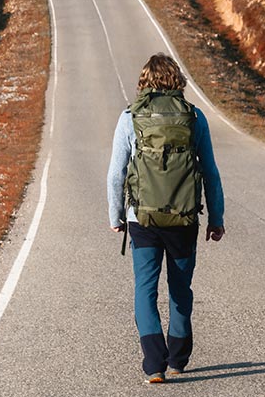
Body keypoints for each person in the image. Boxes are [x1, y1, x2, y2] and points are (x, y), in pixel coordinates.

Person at [107, 53, 225, 384]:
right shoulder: (194, 117)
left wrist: (116, 215)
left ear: (144, 82)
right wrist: (216, 218)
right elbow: (211, 173)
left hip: (142, 219)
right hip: (184, 219)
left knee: (145, 289)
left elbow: (116, 174)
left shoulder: (130, 117)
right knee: (180, 289)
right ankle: (177, 359)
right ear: (177, 82)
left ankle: (154, 365)